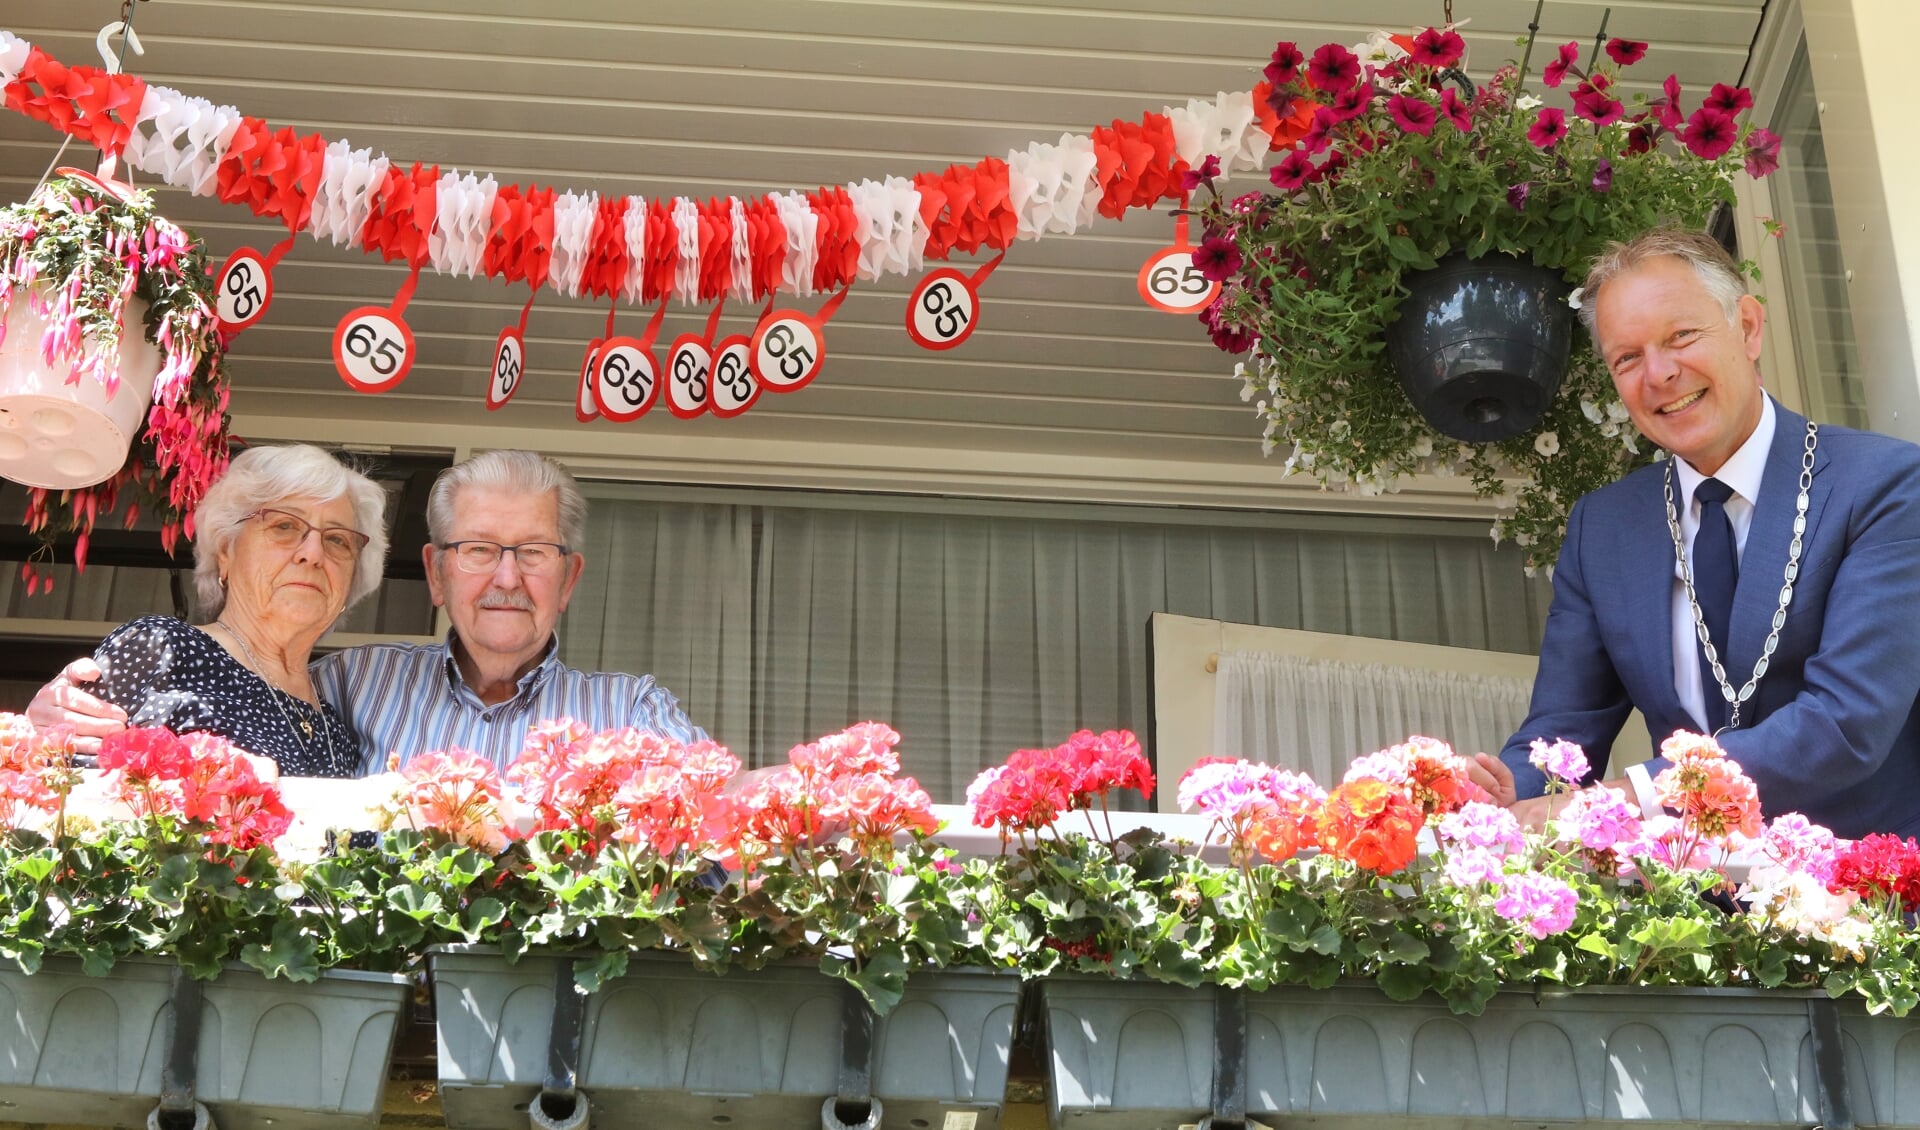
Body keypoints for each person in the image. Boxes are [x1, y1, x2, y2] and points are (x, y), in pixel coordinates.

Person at [1477, 229, 1920, 839]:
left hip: (1867, 900)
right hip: (1687, 915)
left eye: (1681, 336)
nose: (1658, 373)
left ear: (1748, 326)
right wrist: (1501, 789)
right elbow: (1563, 730)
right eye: (1626, 358)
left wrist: (1633, 797)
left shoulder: (1884, 485)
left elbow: (1846, 726)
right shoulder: (1604, 528)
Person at [34, 449, 704, 773]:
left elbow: (734, 817)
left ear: (569, 579)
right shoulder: (354, 682)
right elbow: (64, 790)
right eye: (282, 528)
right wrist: (38, 733)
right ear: (437, 575)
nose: (507, 577)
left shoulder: (326, 708)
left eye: (532, 551)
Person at [84, 444, 389, 777]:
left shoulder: (337, 729)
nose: (313, 553)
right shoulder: (161, 649)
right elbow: (67, 796)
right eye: (284, 526)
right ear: (226, 550)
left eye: (337, 540)